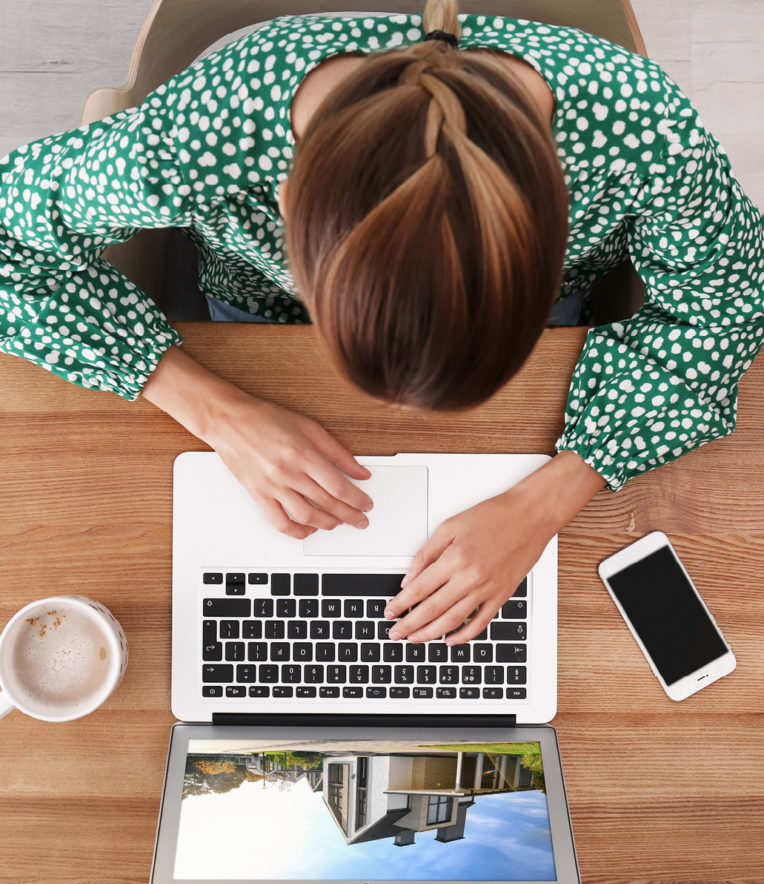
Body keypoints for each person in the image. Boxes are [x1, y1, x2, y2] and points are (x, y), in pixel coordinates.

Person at [1, 1, 762, 647]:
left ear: (558, 219)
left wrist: (548, 499)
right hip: (261, 323)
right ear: (287, 204)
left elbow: (729, 303)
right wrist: (215, 410)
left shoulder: (645, 132)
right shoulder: (200, 139)